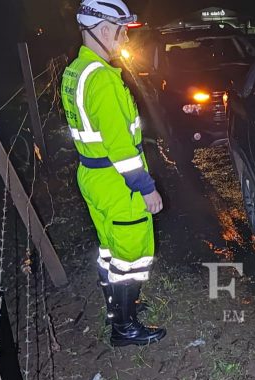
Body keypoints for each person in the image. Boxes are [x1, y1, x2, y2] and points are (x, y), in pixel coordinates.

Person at [61, 0, 166, 346]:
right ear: (104, 30)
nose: (124, 40)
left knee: (110, 249)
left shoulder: (76, 70)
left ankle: (118, 310)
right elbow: (121, 148)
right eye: (121, 32)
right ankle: (126, 327)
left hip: (92, 177)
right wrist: (146, 187)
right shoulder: (103, 81)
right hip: (119, 183)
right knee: (132, 257)